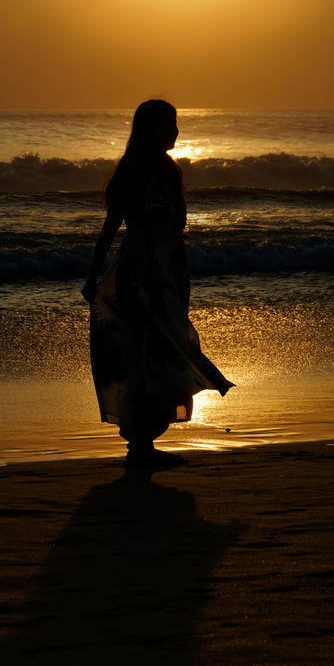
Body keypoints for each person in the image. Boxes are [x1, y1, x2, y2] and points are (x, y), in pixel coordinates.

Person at [82, 99, 234, 468]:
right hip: (153, 267)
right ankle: (142, 447)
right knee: (157, 353)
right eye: (166, 124)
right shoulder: (161, 171)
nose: (174, 130)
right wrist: (156, 273)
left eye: (175, 123)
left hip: (136, 265)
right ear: (147, 129)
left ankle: (140, 445)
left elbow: (109, 232)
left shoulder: (130, 169)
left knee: (140, 355)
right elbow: (149, 229)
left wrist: (94, 275)